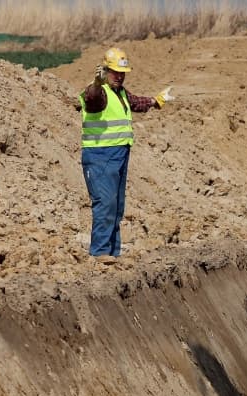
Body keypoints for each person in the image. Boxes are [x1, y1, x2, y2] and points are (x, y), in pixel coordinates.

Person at [78, 47, 174, 262]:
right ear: (105, 71)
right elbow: (92, 98)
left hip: (119, 155)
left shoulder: (120, 92)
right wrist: (97, 83)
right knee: (105, 203)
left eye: (122, 73)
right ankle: (100, 253)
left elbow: (136, 102)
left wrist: (156, 100)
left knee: (117, 205)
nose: (119, 77)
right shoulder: (99, 92)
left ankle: (113, 253)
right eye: (115, 72)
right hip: (100, 156)